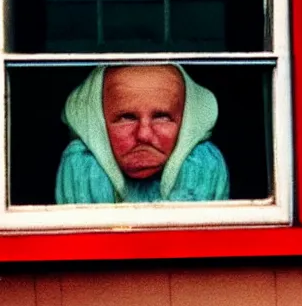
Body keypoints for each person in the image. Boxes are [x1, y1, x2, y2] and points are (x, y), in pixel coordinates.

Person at [55, 64, 229, 204]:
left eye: (161, 117)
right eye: (126, 117)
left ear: (188, 124)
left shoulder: (201, 162)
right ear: (95, 123)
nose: (144, 135)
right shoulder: (84, 166)